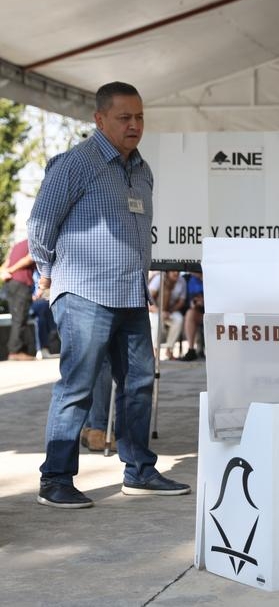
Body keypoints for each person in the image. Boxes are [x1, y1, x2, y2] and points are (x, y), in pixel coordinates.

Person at [27, 81, 190, 509]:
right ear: (99, 120)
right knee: (77, 387)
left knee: (138, 385)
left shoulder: (142, 169)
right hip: (84, 294)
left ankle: (138, 471)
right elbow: (40, 226)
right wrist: (49, 274)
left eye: (139, 117)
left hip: (130, 294)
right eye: (124, 118)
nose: (135, 125)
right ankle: (56, 479)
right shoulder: (75, 165)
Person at [1, 238, 37, 361]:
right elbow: (30, 258)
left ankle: (20, 349)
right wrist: (10, 270)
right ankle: (15, 351)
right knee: (20, 318)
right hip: (21, 283)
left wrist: (4, 271)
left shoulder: (17, 245)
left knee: (17, 317)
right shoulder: (33, 241)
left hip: (11, 284)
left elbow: (7, 262)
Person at [148, 270, 187, 360]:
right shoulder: (159, 278)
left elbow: (181, 301)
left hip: (170, 311)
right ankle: (155, 351)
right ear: (167, 272)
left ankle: (169, 349)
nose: (176, 273)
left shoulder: (182, 281)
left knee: (179, 319)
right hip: (155, 310)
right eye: (173, 271)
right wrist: (159, 312)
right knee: (156, 321)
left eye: (177, 271)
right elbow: (148, 299)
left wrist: (170, 311)